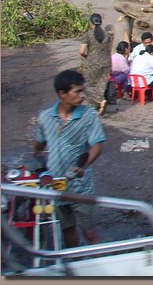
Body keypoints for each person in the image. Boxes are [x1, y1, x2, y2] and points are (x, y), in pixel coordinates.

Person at [34, 69, 106, 248]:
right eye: (78, 92)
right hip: (56, 185)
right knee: (67, 230)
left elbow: (97, 146)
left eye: (83, 91)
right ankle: (74, 265)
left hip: (80, 186)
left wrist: (84, 166)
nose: (82, 96)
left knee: (89, 232)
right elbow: (40, 143)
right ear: (62, 94)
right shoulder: (45, 117)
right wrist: (36, 153)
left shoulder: (88, 115)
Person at [79, 13, 112, 116]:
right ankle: (95, 108)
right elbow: (109, 49)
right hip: (106, 63)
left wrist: (86, 57)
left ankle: (100, 100)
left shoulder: (88, 35)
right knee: (100, 85)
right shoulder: (107, 35)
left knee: (85, 85)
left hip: (92, 63)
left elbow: (82, 51)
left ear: (91, 23)